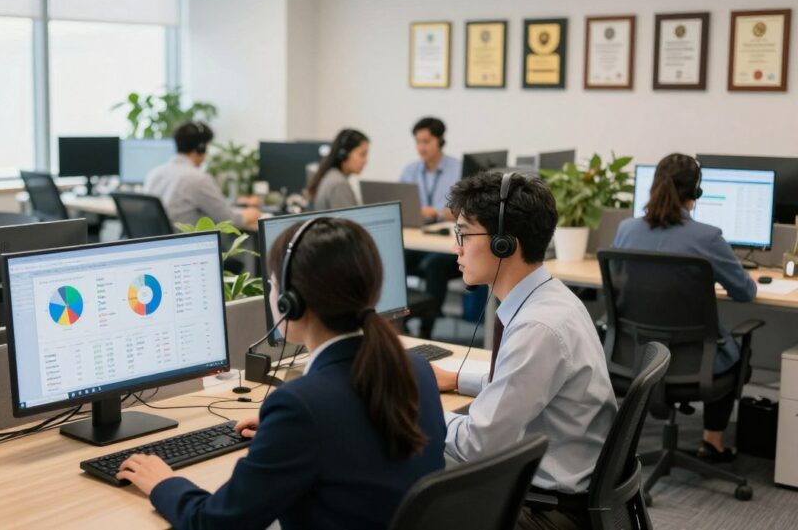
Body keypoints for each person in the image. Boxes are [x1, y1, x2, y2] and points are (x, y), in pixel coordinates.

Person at [116, 218, 446, 530]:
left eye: (272, 284)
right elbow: (355, 442)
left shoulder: (302, 406)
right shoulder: (415, 370)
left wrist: (163, 483)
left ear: (291, 302)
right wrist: (283, 436)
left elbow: (215, 523)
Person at [433, 172, 617, 530]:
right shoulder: (552, 299)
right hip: (563, 485)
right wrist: (457, 378)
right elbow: (526, 382)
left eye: (463, 234)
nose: (456, 247)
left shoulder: (538, 328)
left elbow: (478, 446)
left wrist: (414, 407)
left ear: (504, 243)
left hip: (547, 510)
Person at [612, 153, 756, 463]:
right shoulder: (708, 238)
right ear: (696, 193)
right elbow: (745, 292)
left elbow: (620, 283)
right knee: (737, 349)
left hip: (638, 357)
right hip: (693, 364)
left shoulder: (626, 230)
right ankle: (712, 442)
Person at [400, 117, 463, 337]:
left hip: (446, 244)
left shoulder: (458, 169)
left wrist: (436, 212)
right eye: (418, 142)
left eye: (426, 141)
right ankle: (401, 325)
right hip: (420, 237)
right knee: (397, 258)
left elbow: (466, 209)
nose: (421, 147)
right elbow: (401, 203)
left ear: (439, 140)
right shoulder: (410, 171)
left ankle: (428, 329)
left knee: (434, 265)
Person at [144, 121, 260, 229]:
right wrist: (252, 212)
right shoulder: (198, 179)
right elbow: (231, 220)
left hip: (164, 244)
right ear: (201, 148)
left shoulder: (154, 173)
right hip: (190, 243)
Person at [305, 128, 369, 211]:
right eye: (362, 154)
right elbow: (348, 222)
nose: (365, 161)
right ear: (344, 154)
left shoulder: (331, 176)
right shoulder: (339, 185)